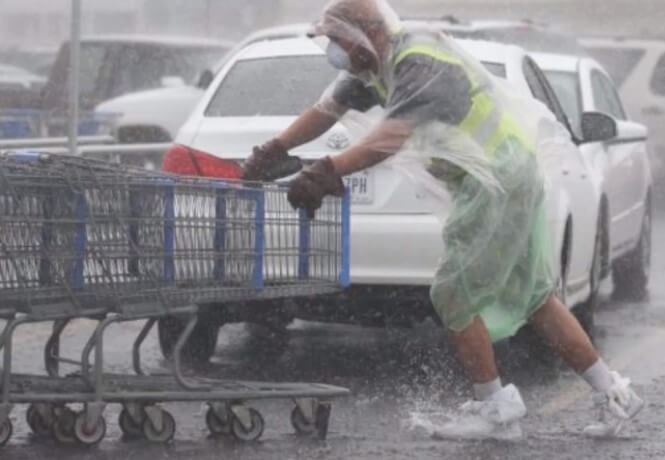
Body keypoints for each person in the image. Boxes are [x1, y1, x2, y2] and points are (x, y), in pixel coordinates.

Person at [243, 0, 645, 440]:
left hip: (495, 177)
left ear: (364, 33)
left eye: (336, 40)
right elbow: (324, 111)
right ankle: (615, 395)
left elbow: (389, 140)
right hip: (503, 174)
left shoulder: (417, 60)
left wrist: (326, 171)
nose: (332, 51)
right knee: (535, 297)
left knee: (453, 293)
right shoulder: (374, 67)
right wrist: (273, 149)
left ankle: (496, 410)